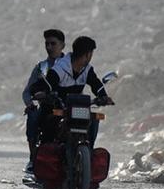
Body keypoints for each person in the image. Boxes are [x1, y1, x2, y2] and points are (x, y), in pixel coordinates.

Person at [23, 34, 113, 177]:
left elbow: (96, 85)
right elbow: (45, 84)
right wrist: (41, 92)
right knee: (49, 123)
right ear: (88, 54)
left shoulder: (87, 69)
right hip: (58, 107)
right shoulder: (61, 67)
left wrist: (104, 97)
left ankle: (88, 151)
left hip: (77, 108)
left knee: (94, 118)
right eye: (91, 53)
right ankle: (41, 161)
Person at [21, 29, 70, 178]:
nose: (49, 47)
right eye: (47, 44)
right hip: (48, 108)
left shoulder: (71, 65)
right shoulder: (41, 68)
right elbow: (27, 92)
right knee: (33, 117)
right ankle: (33, 159)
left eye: (53, 43)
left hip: (68, 107)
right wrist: (30, 103)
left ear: (62, 45)